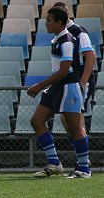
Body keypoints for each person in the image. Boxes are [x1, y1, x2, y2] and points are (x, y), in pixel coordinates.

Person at [27, 6, 91, 178]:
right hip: (57, 87)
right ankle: (54, 162)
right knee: (37, 121)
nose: (46, 24)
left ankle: (84, 169)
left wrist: (39, 86)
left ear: (59, 22)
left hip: (68, 86)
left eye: (49, 21)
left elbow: (64, 71)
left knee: (74, 127)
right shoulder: (57, 39)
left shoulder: (67, 40)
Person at [53, 2, 96, 176]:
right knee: (66, 119)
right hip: (69, 81)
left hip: (79, 81)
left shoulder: (78, 30)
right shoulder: (60, 34)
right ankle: (83, 159)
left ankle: (83, 164)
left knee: (75, 120)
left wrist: (83, 83)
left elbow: (90, 56)